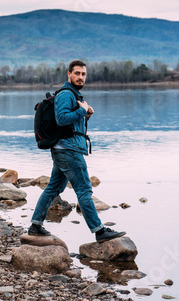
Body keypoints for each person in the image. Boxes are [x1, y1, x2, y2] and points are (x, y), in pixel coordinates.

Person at [28, 60, 126, 243]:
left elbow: (71, 124)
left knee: (53, 188)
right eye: (77, 73)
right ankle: (99, 231)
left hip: (64, 148)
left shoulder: (74, 94)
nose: (81, 77)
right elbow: (62, 119)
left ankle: (35, 225)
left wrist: (85, 114)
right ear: (69, 74)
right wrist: (81, 110)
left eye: (83, 74)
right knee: (84, 190)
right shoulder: (66, 94)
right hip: (69, 150)